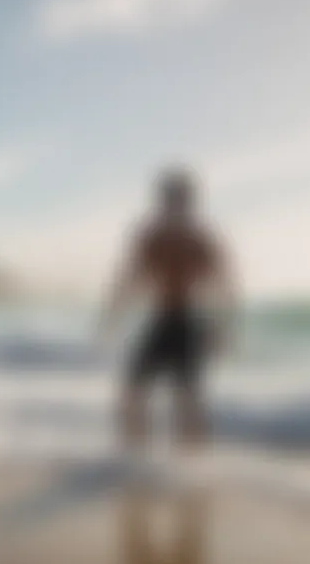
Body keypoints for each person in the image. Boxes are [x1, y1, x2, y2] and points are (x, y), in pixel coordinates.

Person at [99, 166, 237, 448]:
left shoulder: (200, 239)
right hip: (162, 319)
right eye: (169, 198)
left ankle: (192, 466)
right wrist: (112, 313)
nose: (172, 205)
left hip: (187, 321)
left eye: (178, 198)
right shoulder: (151, 237)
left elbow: (223, 285)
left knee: (186, 398)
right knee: (135, 390)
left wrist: (222, 328)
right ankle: (135, 457)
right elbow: (129, 277)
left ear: (187, 201)